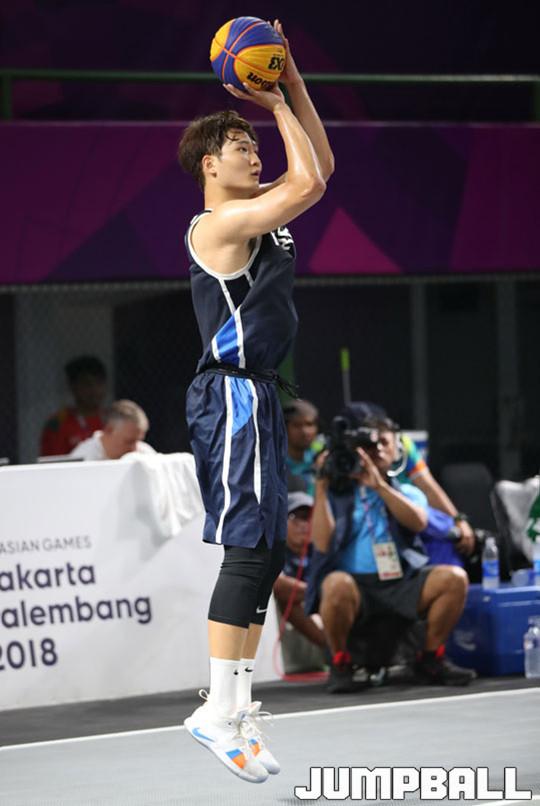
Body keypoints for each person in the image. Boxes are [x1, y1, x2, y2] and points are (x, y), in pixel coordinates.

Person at [177, 19, 333, 784]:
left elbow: (320, 167)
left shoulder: (262, 208)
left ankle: (236, 710)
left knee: (268, 552)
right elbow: (310, 185)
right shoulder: (220, 225)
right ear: (211, 164)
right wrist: (270, 103)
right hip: (232, 396)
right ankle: (215, 709)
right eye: (240, 145)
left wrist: (291, 81)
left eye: (255, 142)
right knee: (246, 550)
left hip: (261, 396)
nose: (255, 151)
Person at [307, 413, 476, 694]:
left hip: (401, 581)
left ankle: (430, 659)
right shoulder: (336, 494)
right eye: (369, 446)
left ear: (397, 451)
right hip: (356, 586)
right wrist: (321, 488)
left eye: (384, 444)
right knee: (335, 584)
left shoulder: (407, 491)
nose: (378, 451)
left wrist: (380, 487)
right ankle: (340, 664)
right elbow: (322, 544)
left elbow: (418, 523)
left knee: (453, 579)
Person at [343, 402, 476, 559]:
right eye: (364, 436)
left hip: (401, 510)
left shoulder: (402, 444)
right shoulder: (338, 451)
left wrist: (457, 520)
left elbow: (427, 486)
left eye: (381, 437)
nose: (376, 446)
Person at [273, 492, 327, 673]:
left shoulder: (322, 547)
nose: (304, 524)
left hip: (323, 612)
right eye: (295, 517)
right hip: (302, 617)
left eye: (309, 517)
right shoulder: (274, 551)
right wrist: (317, 592)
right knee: (287, 597)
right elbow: (278, 585)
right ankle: (334, 652)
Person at [40, 355, 107, 456]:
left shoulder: (111, 419)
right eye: (87, 384)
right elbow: (54, 461)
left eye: (99, 383)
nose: (94, 390)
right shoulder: (59, 424)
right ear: (72, 386)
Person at [69, 400, 155, 460]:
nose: (135, 449)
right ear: (109, 430)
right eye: (129, 441)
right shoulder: (83, 458)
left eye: (138, 441)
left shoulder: (146, 455)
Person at [283, 399, 321, 495]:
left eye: (309, 424)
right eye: (297, 425)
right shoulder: (275, 465)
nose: (305, 431)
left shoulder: (320, 460)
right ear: (284, 428)